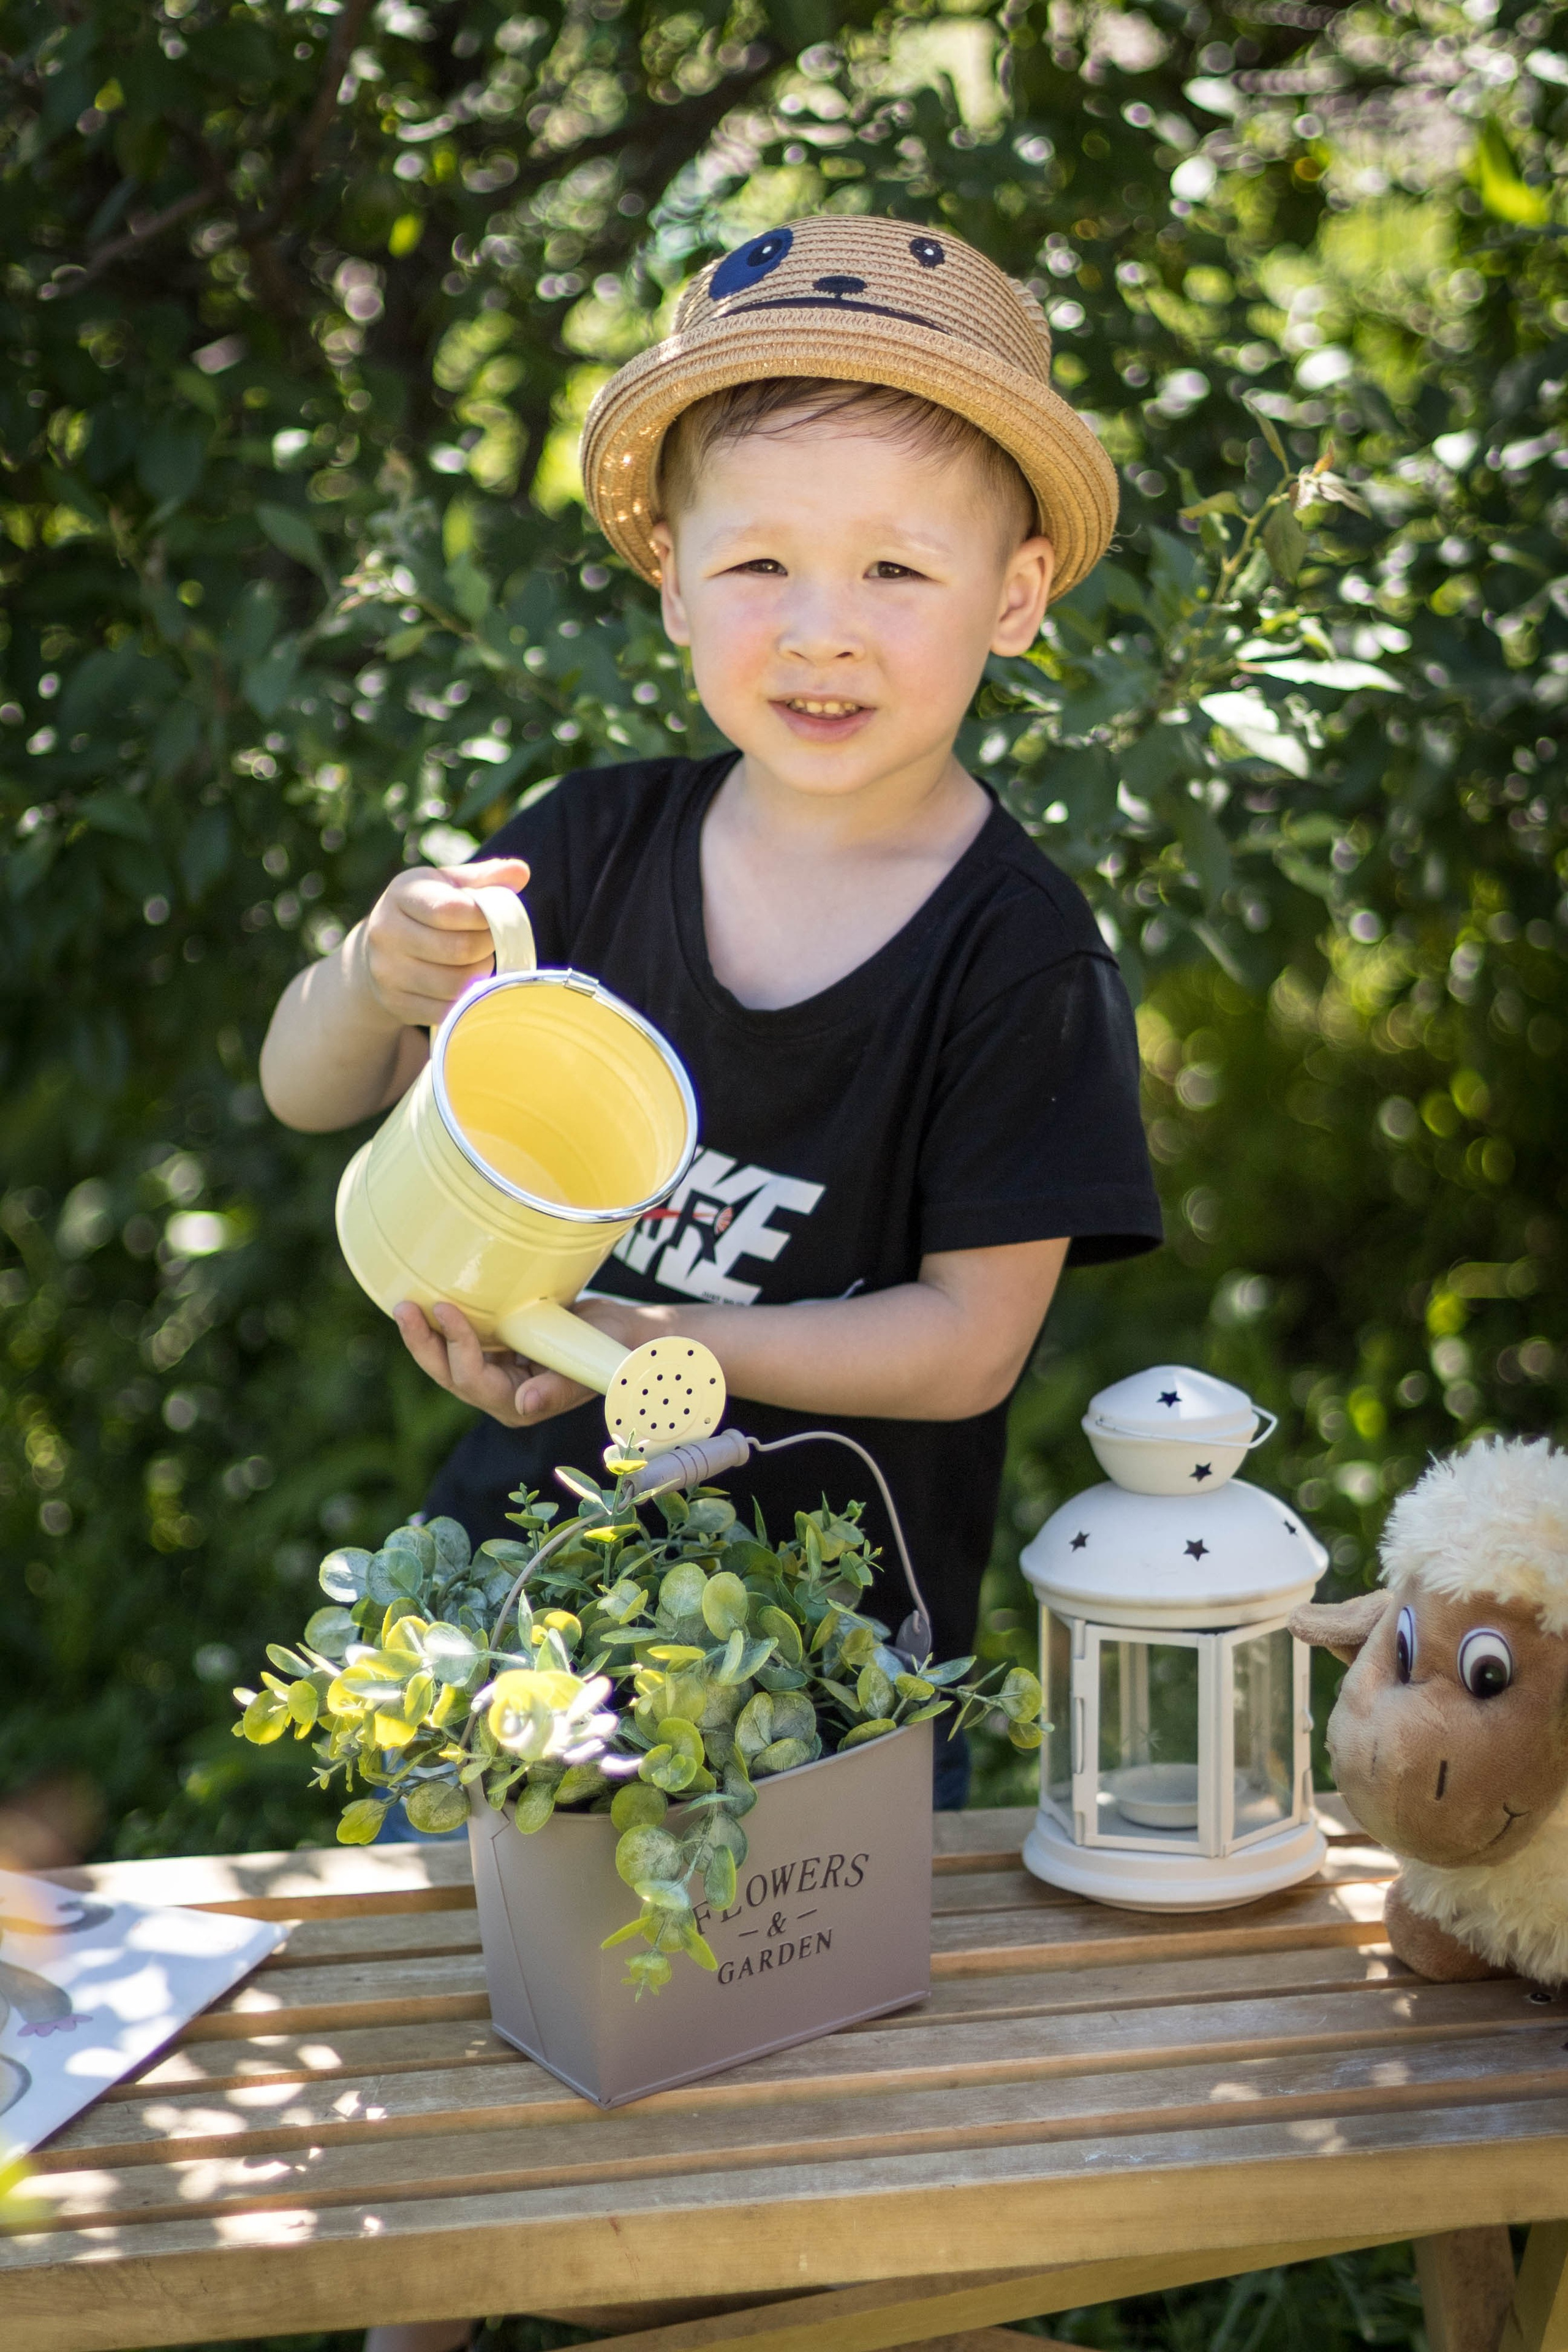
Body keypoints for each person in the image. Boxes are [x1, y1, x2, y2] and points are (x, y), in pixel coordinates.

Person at [261, 211, 1161, 2352]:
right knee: (470, 2138)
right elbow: (316, 1100)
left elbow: (965, 1341)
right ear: (667, 572)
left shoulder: (1016, 960)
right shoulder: (587, 852)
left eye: (897, 569)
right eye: (758, 560)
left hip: (828, 1676)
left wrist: (664, 1346)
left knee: (792, 2171)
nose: (820, 628)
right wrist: (369, 974)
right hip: (511, 1620)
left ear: (1018, 598)